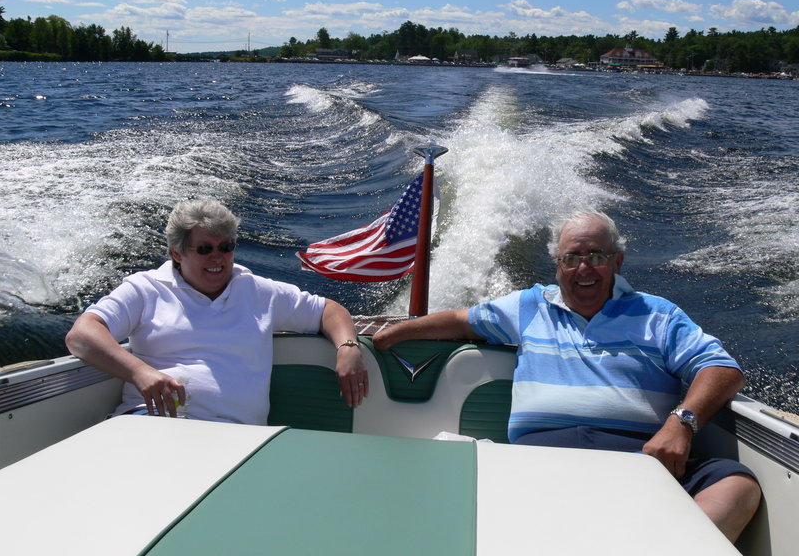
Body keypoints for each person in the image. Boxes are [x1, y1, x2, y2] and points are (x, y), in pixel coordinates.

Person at [373, 208, 760, 543]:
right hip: (539, 464)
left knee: (737, 487)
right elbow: (462, 321)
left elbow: (722, 369)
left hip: (637, 463)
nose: (584, 268)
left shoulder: (657, 314)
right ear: (557, 265)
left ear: (618, 261)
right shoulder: (528, 306)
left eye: (596, 255)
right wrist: (400, 330)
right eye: (571, 257)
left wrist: (683, 423)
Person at [66, 199, 368, 424]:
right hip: (153, 422)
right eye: (205, 249)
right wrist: (140, 373)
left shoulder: (258, 291)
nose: (218, 258)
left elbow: (329, 310)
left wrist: (348, 348)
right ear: (177, 253)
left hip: (234, 437)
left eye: (226, 247)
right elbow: (81, 335)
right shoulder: (146, 289)